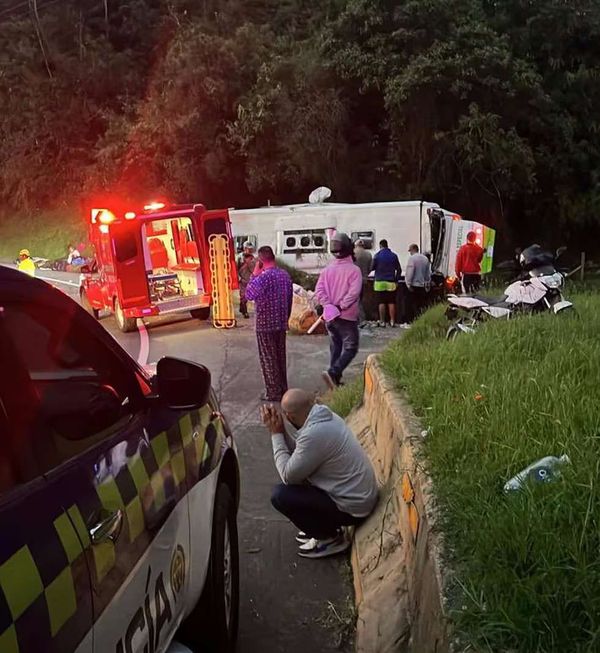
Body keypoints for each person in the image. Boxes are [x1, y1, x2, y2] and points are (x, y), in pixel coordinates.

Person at [261, 389, 379, 559]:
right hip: (358, 497)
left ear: (290, 417)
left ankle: (329, 538)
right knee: (299, 483)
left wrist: (275, 434)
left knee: (281, 495)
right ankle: (322, 526)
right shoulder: (324, 416)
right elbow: (302, 456)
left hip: (353, 508)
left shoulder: (314, 435)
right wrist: (282, 431)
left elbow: (288, 475)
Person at [315, 233, 362, 389]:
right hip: (346, 316)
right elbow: (354, 293)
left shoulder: (327, 270)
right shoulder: (354, 270)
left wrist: (328, 305)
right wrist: (340, 306)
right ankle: (334, 372)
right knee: (351, 347)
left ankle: (334, 380)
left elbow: (319, 290)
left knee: (336, 347)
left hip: (330, 316)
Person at [246, 246, 293, 402]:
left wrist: (254, 274)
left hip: (265, 324)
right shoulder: (285, 275)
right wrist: (286, 318)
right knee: (280, 357)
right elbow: (289, 299)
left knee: (268, 358)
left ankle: (273, 392)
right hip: (280, 322)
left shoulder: (262, 278)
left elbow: (249, 294)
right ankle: (283, 388)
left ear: (260, 261)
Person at [371, 239, 401, 327]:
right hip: (391, 282)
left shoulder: (377, 256)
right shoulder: (394, 256)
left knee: (381, 302)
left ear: (380, 246)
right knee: (391, 302)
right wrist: (396, 280)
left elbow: (372, 268)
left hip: (379, 282)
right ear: (387, 245)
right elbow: (399, 269)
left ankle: (382, 321)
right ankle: (392, 321)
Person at [404, 244, 431, 325]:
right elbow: (427, 273)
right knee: (420, 305)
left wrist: (408, 284)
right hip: (422, 286)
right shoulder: (425, 259)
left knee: (410, 304)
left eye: (410, 251)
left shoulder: (412, 259)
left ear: (413, 249)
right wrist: (427, 283)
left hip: (413, 285)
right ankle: (420, 321)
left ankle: (410, 322)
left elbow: (410, 272)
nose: (410, 253)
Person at [353, 239, 373, 325]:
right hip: (364, 280)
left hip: (353, 280)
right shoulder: (368, 254)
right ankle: (360, 318)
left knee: (354, 299)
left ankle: (360, 318)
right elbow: (371, 268)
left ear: (356, 245)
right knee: (360, 299)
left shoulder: (352, 254)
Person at [236, 241, 256, 318]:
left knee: (247, 296)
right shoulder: (239, 258)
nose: (250, 251)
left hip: (250, 281)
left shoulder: (253, 259)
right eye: (248, 249)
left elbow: (254, 270)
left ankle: (241, 307)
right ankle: (245, 311)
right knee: (243, 296)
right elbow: (236, 269)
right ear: (244, 249)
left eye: (251, 249)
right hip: (242, 280)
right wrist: (239, 278)